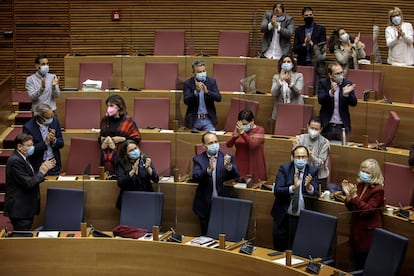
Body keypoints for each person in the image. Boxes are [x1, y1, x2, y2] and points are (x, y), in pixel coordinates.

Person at [271, 145, 318, 251]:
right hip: (284, 216)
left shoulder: (312, 171)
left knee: (298, 249)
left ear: (308, 158)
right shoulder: (285, 169)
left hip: (302, 218)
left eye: (303, 157)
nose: (301, 160)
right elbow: (277, 191)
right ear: (293, 157)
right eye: (298, 157)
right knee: (280, 248)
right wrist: (293, 187)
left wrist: (309, 187)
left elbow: (316, 194)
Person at [4, 133, 56, 230]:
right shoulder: (15, 161)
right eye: (28, 145)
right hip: (20, 210)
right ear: (19, 146)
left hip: (25, 208)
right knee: (22, 238)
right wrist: (42, 172)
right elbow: (28, 183)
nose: (32, 147)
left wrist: (42, 168)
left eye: (32, 145)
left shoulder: (23, 158)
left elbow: (29, 177)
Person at [192, 132, 240, 235]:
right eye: (210, 143)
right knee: (206, 235)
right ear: (204, 146)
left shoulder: (226, 158)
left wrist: (228, 167)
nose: (214, 144)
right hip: (205, 204)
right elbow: (195, 177)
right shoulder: (198, 159)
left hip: (223, 203)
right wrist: (208, 170)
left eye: (216, 141)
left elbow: (236, 176)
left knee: (222, 235)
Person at [341, 159, 384, 269]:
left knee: (364, 265)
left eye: (367, 172)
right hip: (356, 230)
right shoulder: (360, 185)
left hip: (367, 233)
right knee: (355, 262)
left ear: (374, 175)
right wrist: (348, 197)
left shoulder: (378, 190)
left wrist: (354, 197)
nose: (364, 174)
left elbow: (368, 210)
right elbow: (352, 208)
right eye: (363, 171)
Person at [99, 94, 141, 176]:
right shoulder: (104, 121)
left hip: (122, 157)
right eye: (107, 106)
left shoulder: (127, 121)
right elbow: (100, 137)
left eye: (111, 105)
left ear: (119, 107)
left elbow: (137, 138)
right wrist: (103, 140)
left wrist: (123, 139)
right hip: (107, 157)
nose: (109, 108)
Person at [318, 63, 358, 141]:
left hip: (342, 126)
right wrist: (331, 92)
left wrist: (347, 95)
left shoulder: (347, 84)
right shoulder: (323, 83)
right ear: (330, 75)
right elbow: (320, 100)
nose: (340, 75)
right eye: (337, 73)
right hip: (327, 125)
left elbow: (354, 103)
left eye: (341, 73)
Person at [226, 109, 267, 185]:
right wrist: (235, 136)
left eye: (245, 124)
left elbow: (252, 145)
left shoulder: (260, 130)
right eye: (242, 124)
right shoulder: (238, 129)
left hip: (253, 165)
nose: (243, 126)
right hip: (239, 164)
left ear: (252, 121)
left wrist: (242, 133)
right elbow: (228, 145)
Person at [115, 140, 159, 209]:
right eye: (131, 150)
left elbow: (156, 179)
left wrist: (148, 168)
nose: (134, 151)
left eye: (135, 148)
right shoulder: (121, 163)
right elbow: (120, 183)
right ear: (126, 154)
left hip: (146, 198)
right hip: (129, 200)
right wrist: (133, 171)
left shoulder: (145, 159)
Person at [23, 103, 64, 175]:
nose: (51, 119)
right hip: (38, 165)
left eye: (52, 116)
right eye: (48, 118)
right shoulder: (29, 127)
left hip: (53, 164)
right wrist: (45, 143)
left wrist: (54, 140)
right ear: (39, 117)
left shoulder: (54, 121)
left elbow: (61, 143)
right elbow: (28, 151)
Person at [293, 7, 327, 92]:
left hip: (317, 64)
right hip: (302, 63)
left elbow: (322, 48)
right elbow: (295, 49)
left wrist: (311, 43)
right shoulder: (298, 30)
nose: (309, 17)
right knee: (302, 88)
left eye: (310, 15)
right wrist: (304, 45)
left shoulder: (321, 29)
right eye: (306, 15)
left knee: (316, 89)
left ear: (313, 15)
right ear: (303, 17)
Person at [183, 60, 222, 132]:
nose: (202, 73)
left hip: (208, 120)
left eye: (203, 71)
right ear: (194, 73)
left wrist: (208, 92)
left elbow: (218, 98)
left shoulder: (211, 82)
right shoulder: (188, 83)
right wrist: (195, 92)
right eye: (199, 72)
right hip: (194, 120)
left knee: (211, 138)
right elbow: (186, 100)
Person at [293, 116, 330, 191]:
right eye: (312, 128)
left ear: (321, 129)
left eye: (316, 129)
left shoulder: (325, 142)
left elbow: (321, 164)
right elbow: (293, 159)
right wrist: (295, 150)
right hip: (301, 175)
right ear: (308, 126)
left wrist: (312, 157)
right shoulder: (300, 138)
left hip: (319, 177)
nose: (313, 131)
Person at [270, 54, 304, 120]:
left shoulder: (299, 76)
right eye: (284, 62)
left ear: (293, 64)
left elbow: (298, 92)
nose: (286, 63)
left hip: (295, 108)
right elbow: (273, 93)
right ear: (281, 64)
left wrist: (290, 83)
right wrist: (280, 81)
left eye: (288, 62)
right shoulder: (276, 77)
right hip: (281, 109)